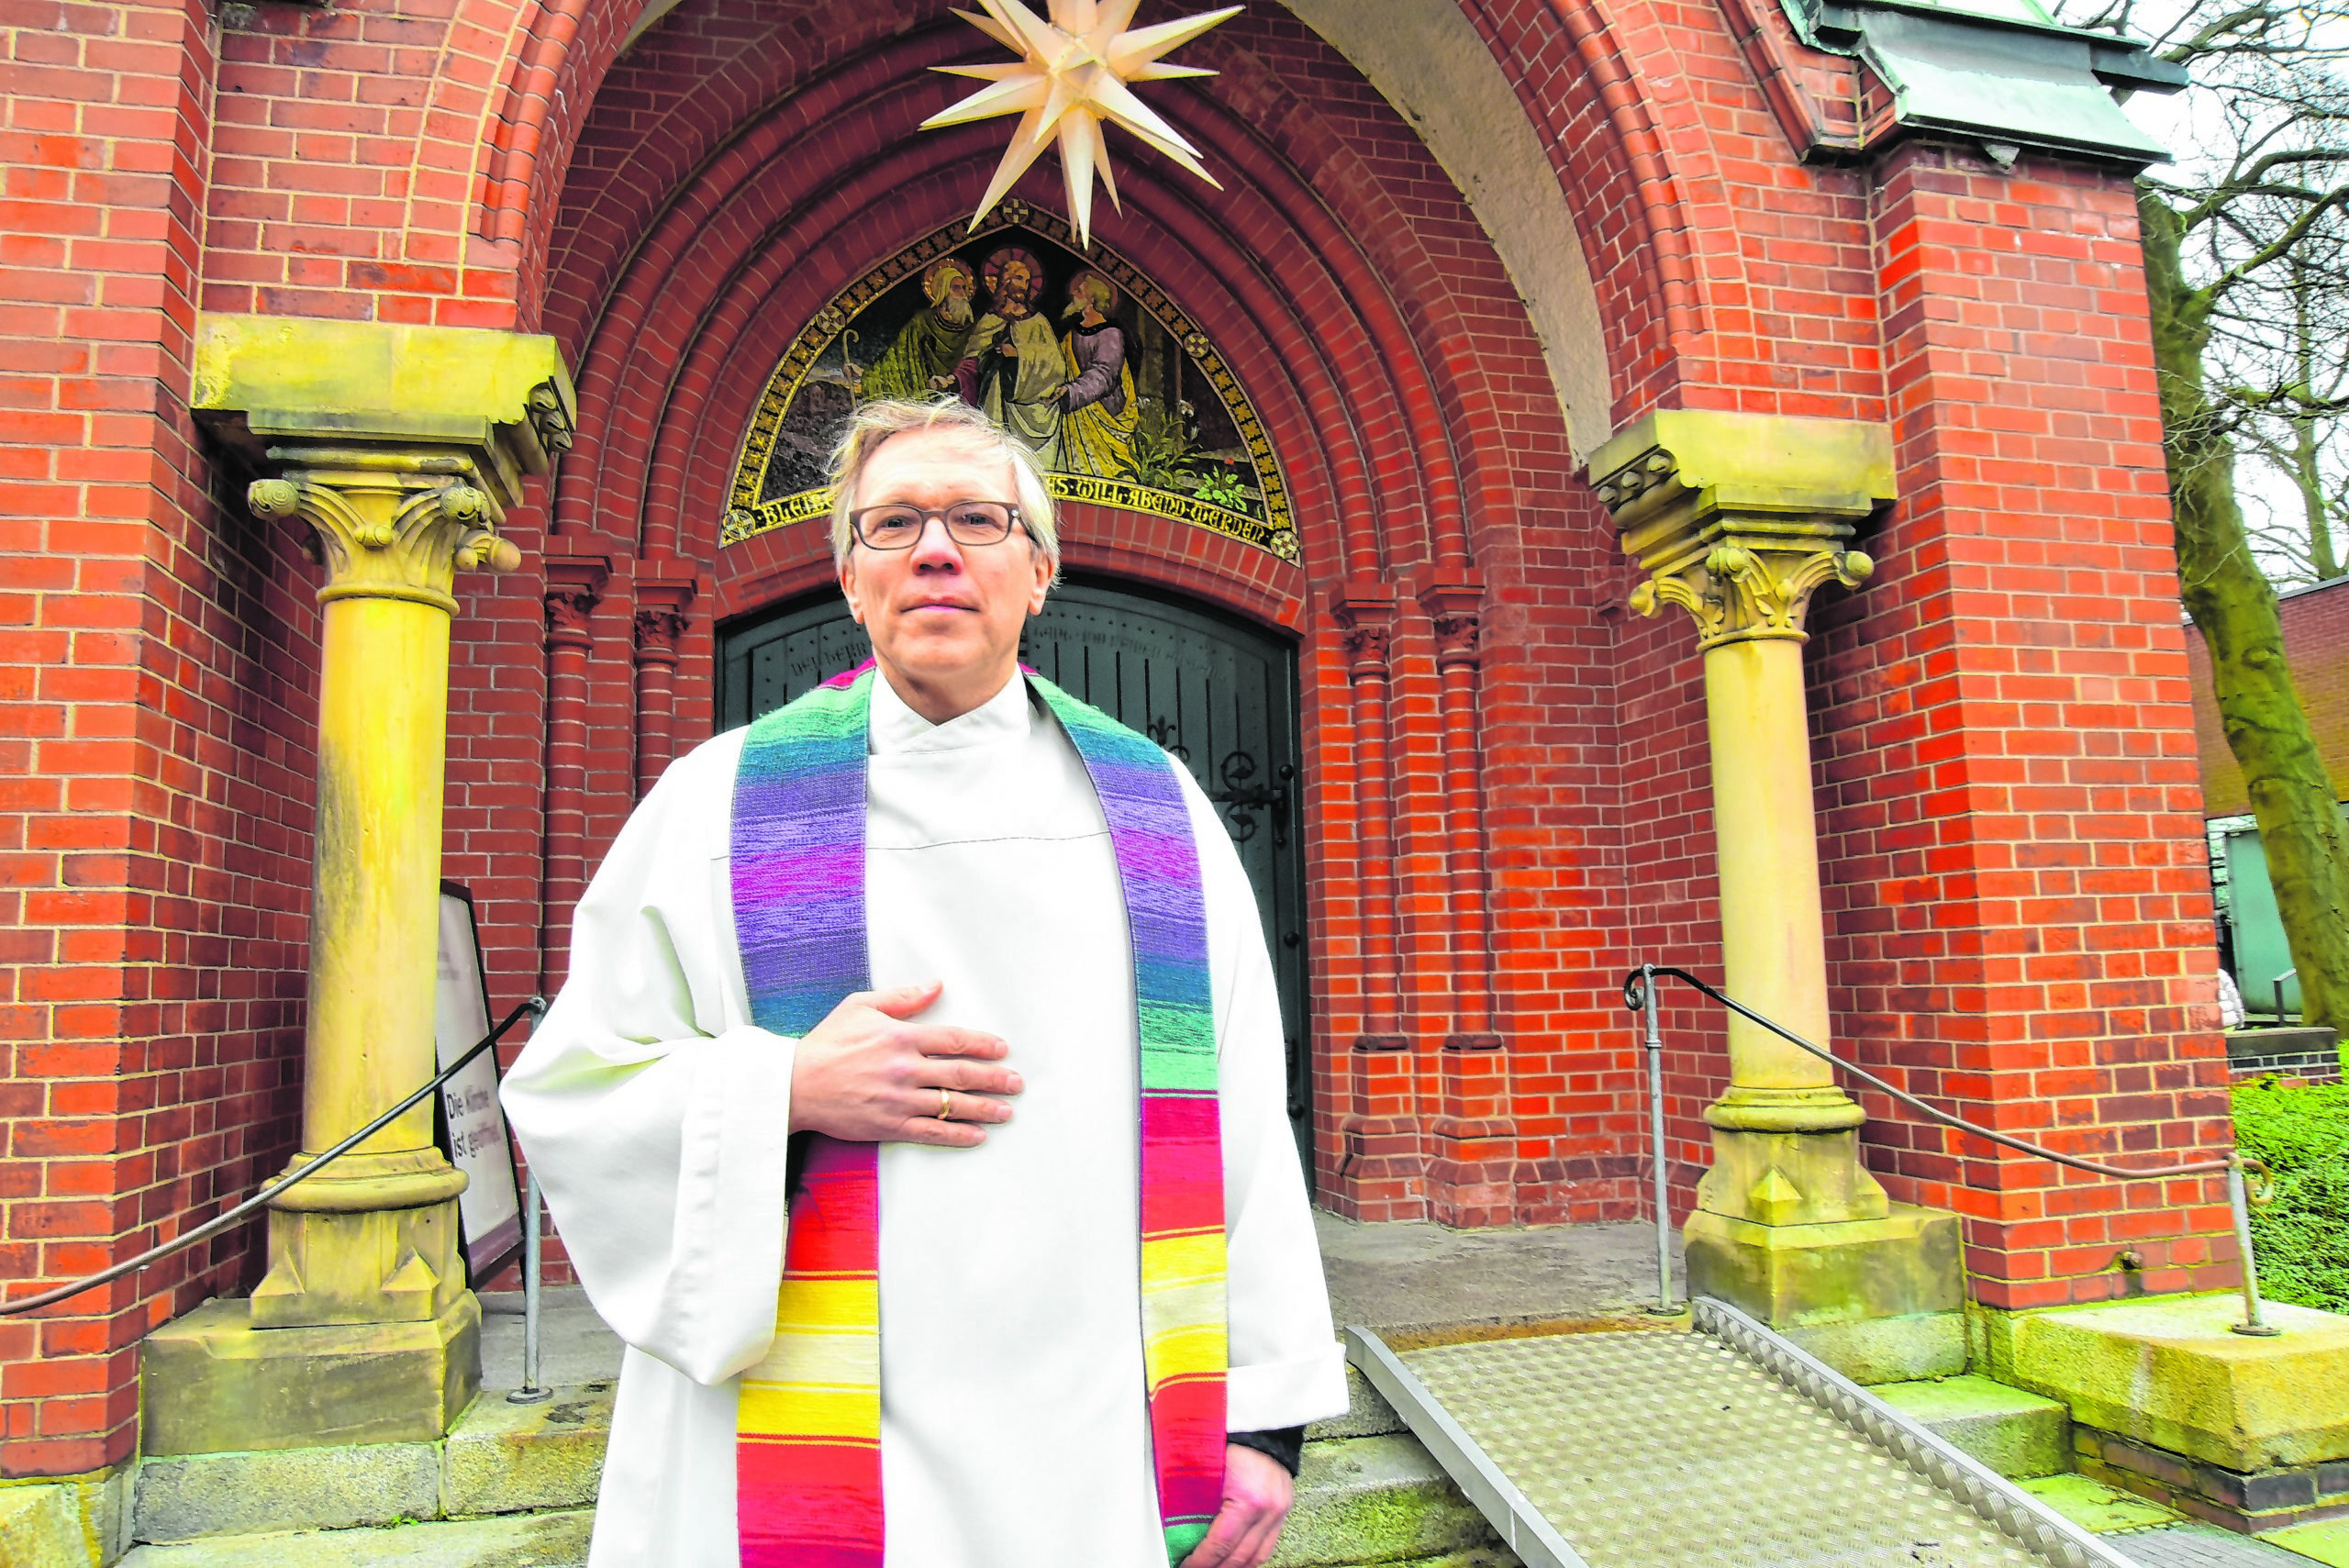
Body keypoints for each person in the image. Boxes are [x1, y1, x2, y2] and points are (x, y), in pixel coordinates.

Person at [501, 395, 1346, 1568]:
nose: (935, 548)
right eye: (891, 523)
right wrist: (782, 1086)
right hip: (796, 1431)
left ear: (1040, 570)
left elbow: (1245, 1115)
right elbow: (574, 1090)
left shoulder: (1154, 809)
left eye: (976, 518)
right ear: (849, 579)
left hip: (1089, 1428)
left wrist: (1262, 1418)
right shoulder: (717, 802)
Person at [952, 247, 1065, 457]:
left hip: (1030, 404)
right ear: (1006, 282)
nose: (1024, 285)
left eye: (1026, 280)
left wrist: (1019, 355)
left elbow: (1056, 364)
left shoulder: (1038, 322)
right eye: (1020, 279)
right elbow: (973, 358)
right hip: (994, 396)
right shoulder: (990, 320)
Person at [1054, 270, 1141, 478]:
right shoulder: (1070, 335)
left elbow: (1105, 375)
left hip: (1103, 417)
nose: (1074, 293)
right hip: (1075, 420)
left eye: (1081, 290)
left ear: (1092, 297)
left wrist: (1071, 392)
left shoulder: (1110, 334)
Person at [855, 257, 978, 402]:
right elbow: (898, 361)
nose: (963, 293)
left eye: (964, 288)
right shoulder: (921, 323)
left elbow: (977, 365)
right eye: (956, 288)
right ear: (942, 290)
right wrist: (866, 375)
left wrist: (953, 381)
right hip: (927, 395)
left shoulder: (976, 327)